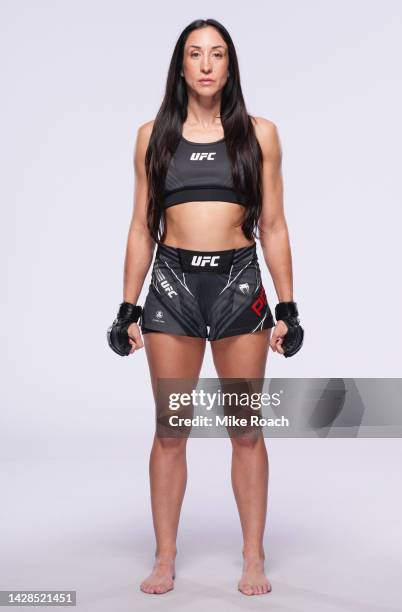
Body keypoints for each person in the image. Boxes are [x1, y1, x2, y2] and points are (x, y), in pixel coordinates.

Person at [107, 18, 303, 596]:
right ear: (182, 65)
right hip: (172, 290)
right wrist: (126, 307)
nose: (207, 64)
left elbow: (273, 224)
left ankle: (252, 556)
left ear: (230, 64)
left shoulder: (259, 134)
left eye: (217, 54)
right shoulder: (152, 136)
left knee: (245, 428)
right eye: (196, 54)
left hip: (241, 287)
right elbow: (143, 227)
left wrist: (288, 306)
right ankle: (165, 557)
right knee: (172, 430)